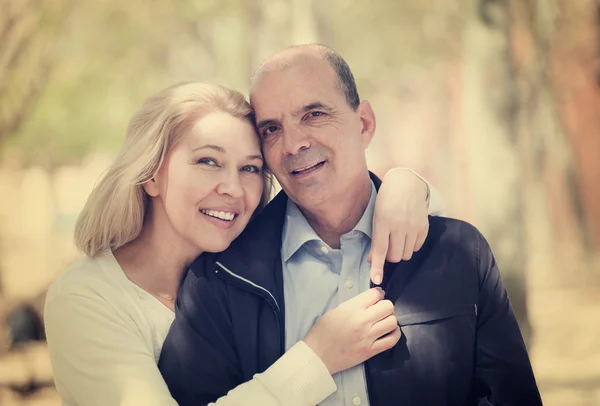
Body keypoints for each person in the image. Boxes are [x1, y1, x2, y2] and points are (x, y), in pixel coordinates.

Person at [159, 45, 543, 406]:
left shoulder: (458, 252)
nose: (293, 144)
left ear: (364, 124)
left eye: (313, 114)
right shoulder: (221, 277)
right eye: (271, 129)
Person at [44, 81, 444, 406]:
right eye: (208, 161)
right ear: (151, 174)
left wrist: (408, 185)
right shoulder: (86, 298)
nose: (233, 189)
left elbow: (331, 199)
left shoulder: (247, 271)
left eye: (250, 168)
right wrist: (317, 358)